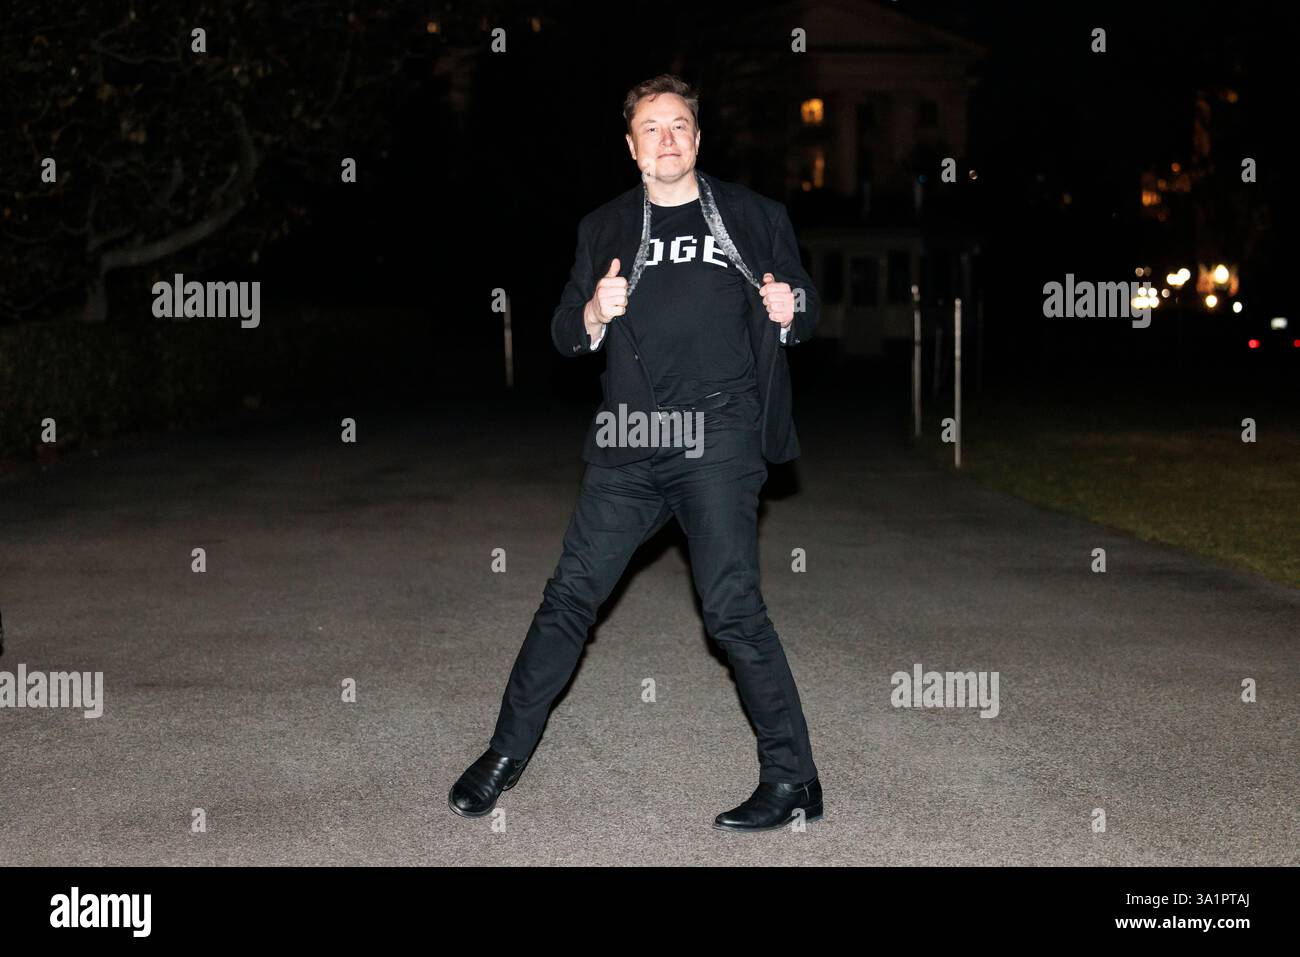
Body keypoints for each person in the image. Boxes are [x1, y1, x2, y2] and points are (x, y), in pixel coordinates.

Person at [449, 74, 821, 831]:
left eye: (679, 125)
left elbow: (805, 309)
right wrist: (593, 310)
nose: (667, 139)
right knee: (569, 596)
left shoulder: (754, 216)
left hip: (719, 432)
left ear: (697, 138)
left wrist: (793, 308)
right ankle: (503, 753)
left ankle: (792, 778)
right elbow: (561, 332)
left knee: (730, 610)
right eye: (651, 127)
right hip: (632, 435)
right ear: (630, 146)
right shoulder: (605, 227)